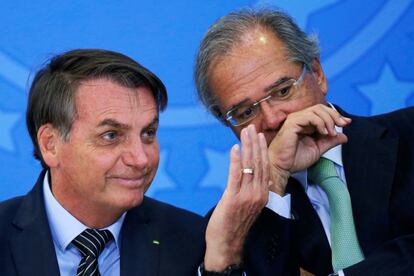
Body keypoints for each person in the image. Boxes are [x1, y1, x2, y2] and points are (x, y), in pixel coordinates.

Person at [0, 49, 270, 276]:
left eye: (148, 134)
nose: (140, 159)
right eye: (111, 136)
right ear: (51, 144)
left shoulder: (194, 241)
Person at [194, 8, 414, 276]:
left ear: (318, 73)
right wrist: (273, 180)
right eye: (246, 112)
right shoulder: (231, 224)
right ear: (228, 124)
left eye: (283, 91)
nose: (273, 119)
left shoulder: (409, 134)